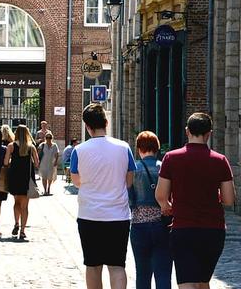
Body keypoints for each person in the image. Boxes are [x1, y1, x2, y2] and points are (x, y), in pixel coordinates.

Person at [155, 113, 236, 289]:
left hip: (183, 228)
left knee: (186, 282)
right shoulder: (220, 161)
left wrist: (167, 207)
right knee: (203, 281)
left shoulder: (171, 158)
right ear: (209, 134)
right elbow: (229, 199)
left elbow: (161, 194)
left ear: (187, 131)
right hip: (213, 230)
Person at [70, 103, 136, 289]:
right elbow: (129, 181)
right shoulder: (123, 148)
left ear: (86, 126)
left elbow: (76, 181)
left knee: (92, 266)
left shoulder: (79, 151)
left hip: (89, 215)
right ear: (106, 122)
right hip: (118, 215)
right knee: (117, 266)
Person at [129, 131, 172, 289]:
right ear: (157, 148)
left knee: (142, 274)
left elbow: (129, 198)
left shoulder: (134, 169)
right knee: (163, 273)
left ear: (139, 148)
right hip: (162, 224)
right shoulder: (164, 168)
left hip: (139, 225)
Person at [4, 124, 40, 240]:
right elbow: (37, 163)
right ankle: (23, 231)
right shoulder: (31, 147)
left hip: (14, 177)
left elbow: (5, 162)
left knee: (16, 203)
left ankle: (16, 223)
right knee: (25, 206)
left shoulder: (11, 146)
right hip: (26, 178)